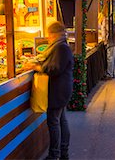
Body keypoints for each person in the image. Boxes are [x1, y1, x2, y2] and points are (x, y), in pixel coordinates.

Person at [26, 21, 74, 160]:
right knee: (61, 121)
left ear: (54, 34)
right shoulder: (60, 46)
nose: (48, 37)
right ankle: (63, 152)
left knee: (54, 122)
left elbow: (54, 69)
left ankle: (54, 155)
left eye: (49, 34)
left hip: (58, 91)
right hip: (61, 90)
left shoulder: (60, 48)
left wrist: (37, 67)